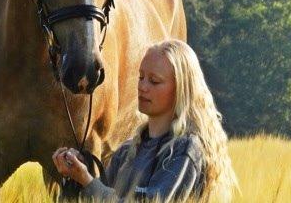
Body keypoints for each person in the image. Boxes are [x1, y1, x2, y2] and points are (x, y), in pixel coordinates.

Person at [52, 39, 239, 202]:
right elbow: (97, 197)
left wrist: (87, 181)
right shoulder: (126, 152)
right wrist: (75, 179)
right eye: (141, 77)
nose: (142, 86)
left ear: (182, 89)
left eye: (154, 81)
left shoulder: (185, 150)